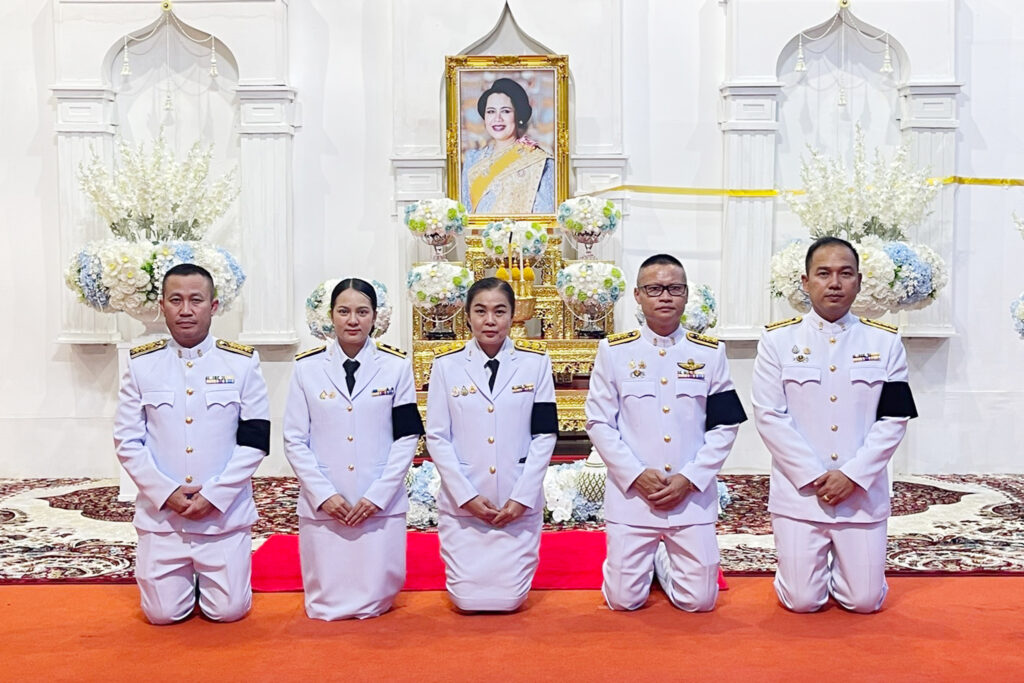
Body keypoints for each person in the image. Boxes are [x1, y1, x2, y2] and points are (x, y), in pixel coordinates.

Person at [752, 236, 918, 613]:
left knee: (865, 601)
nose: (835, 283)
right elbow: (769, 415)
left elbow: (894, 418)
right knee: (802, 602)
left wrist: (853, 475)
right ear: (805, 281)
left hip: (861, 493)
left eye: (845, 274)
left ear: (859, 282)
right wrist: (813, 474)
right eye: (823, 273)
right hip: (800, 494)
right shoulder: (777, 341)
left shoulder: (885, 342)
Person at [585, 254, 747, 612]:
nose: (665, 296)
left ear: (686, 295)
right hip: (633, 498)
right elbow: (598, 422)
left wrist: (691, 478)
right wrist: (635, 474)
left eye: (674, 289)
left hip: (690, 498)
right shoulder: (614, 352)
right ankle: (653, 560)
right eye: (654, 289)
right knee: (623, 601)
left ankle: (662, 561)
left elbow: (725, 425)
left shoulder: (709, 354)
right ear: (638, 295)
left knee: (699, 602)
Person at [113, 263, 270, 625]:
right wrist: (166, 492)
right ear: (162, 306)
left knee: (228, 612)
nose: (186, 310)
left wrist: (214, 495)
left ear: (213, 306)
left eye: (196, 300)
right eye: (176, 300)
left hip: (222, 517)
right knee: (161, 615)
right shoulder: (142, 364)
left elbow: (255, 440)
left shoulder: (241, 363)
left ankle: (212, 579)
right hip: (163, 519)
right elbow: (127, 439)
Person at [284, 278, 424, 620]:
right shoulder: (306, 369)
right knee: (327, 594)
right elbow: (294, 439)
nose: (352, 320)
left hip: (377, 497)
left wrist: (379, 494)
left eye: (362, 312)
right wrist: (323, 494)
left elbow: (407, 436)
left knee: (376, 593)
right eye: (343, 311)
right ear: (330, 315)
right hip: (325, 499)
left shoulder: (396, 367)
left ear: (375, 316)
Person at [426, 277, 558, 611]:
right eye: (480, 311)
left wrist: (522, 496)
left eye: (499, 311)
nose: (490, 320)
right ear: (467, 315)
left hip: (516, 502)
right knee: (465, 601)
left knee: (511, 600)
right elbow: (437, 436)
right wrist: (466, 496)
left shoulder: (535, 363)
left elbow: (544, 434)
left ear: (513, 315)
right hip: (465, 504)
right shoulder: (446, 366)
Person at [460, 77, 554, 214]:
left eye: (505, 111)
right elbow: (465, 213)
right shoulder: (472, 159)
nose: (497, 118)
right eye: (491, 111)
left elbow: (545, 216)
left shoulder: (540, 162)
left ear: (517, 116)